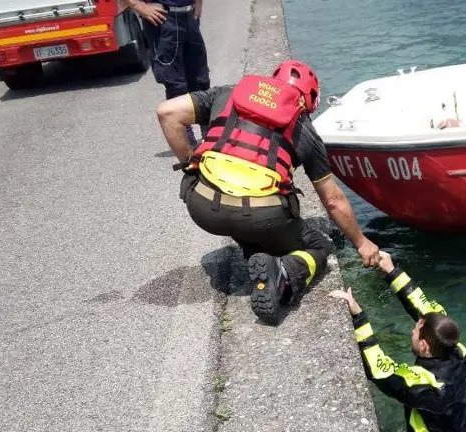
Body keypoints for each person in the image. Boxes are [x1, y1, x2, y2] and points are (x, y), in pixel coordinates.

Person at [155, 59, 381, 324]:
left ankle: (257, 254)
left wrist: (190, 162)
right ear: (308, 100)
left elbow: (167, 112)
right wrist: (361, 242)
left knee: (243, 215)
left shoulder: (227, 94)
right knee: (319, 245)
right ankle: (285, 271)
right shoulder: (303, 127)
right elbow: (332, 200)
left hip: (202, 208)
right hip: (260, 217)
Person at [330, 251, 466, 432]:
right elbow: (424, 307)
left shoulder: (423, 387)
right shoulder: (459, 352)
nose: (412, 331)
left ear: (424, 345)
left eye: (415, 331)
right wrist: (391, 270)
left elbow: (378, 370)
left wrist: (358, 316)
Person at [124, 0, 211, 148]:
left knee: (201, 81)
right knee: (176, 85)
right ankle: (187, 141)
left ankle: (210, 136)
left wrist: (199, 2)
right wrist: (140, 7)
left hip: (189, 16)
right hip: (164, 20)